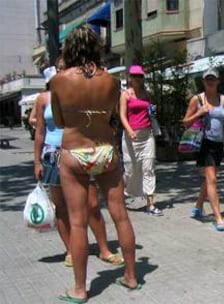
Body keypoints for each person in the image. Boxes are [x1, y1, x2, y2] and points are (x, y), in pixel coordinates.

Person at [50, 25, 138, 303]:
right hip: (106, 152)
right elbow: (112, 119)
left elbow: (60, 121)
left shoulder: (59, 81)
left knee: (77, 223)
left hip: (75, 153)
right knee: (121, 215)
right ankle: (132, 276)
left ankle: (79, 289)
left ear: (71, 49)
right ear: (96, 47)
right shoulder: (112, 82)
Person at [34, 64, 124, 268]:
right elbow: (40, 131)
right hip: (53, 153)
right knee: (61, 207)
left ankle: (103, 248)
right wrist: (37, 161)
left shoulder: (75, 88)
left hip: (76, 151)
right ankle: (70, 250)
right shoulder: (43, 98)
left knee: (92, 204)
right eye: (61, 67)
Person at [182, 67, 224, 231]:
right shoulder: (197, 99)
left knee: (210, 179)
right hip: (204, 143)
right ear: (203, 81)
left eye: (213, 79)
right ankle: (219, 218)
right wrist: (199, 112)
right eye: (208, 79)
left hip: (218, 143)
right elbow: (185, 122)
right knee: (212, 180)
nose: (210, 82)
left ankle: (198, 206)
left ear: (218, 81)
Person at [119, 64, 163, 216]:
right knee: (131, 170)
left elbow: (150, 111)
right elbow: (122, 115)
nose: (138, 79)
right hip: (131, 137)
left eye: (140, 76)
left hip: (147, 135)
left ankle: (150, 204)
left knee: (148, 168)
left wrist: (152, 109)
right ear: (130, 78)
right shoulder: (125, 95)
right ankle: (123, 193)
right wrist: (130, 131)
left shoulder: (146, 93)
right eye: (135, 76)